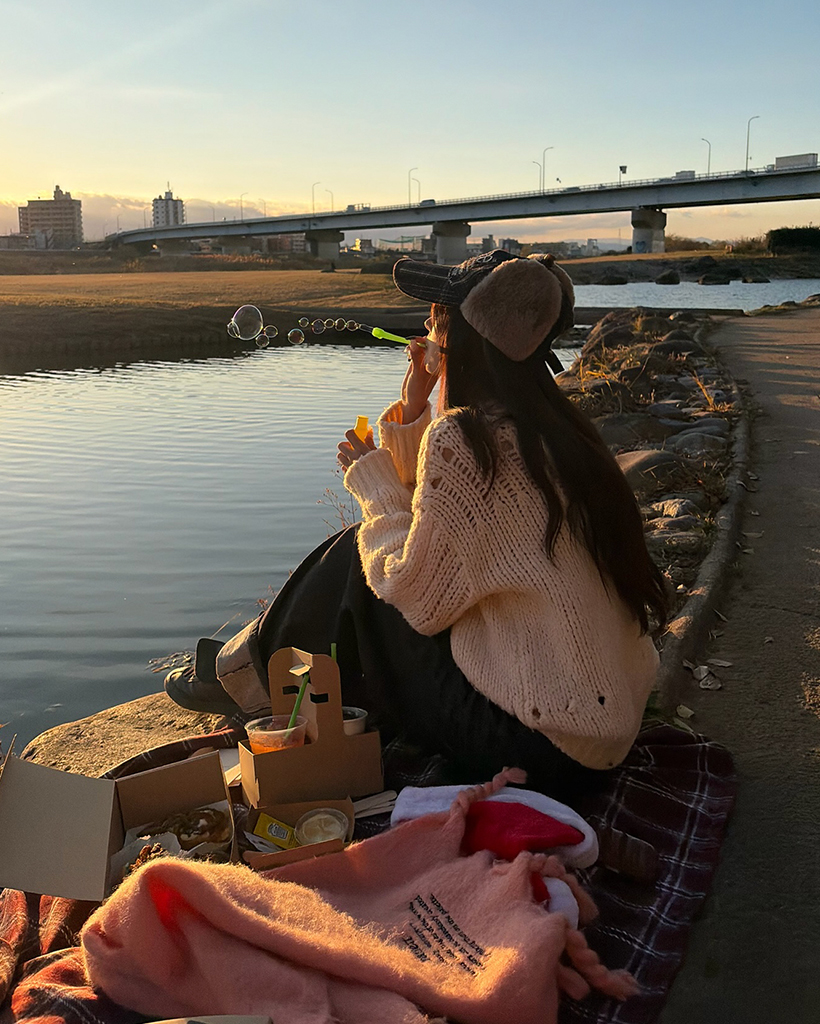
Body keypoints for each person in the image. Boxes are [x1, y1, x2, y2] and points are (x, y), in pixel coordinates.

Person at [168, 250, 667, 803]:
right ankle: (255, 668)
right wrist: (412, 406)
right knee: (369, 548)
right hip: (598, 732)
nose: (427, 329)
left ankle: (255, 680)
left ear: (461, 339)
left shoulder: (467, 438)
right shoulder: (556, 428)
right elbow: (443, 524)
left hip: (536, 746)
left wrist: (373, 484)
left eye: (436, 318)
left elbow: (414, 593)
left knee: (357, 561)